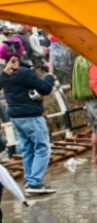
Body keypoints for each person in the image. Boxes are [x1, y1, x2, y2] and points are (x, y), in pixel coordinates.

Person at [0, 50, 56, 195]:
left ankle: (30, 180)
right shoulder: (23, 72)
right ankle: (34, 183)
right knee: (42, 148)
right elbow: (45, 88)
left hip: (16, 116)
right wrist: (50, 73)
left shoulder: (5, 74)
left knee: (28, 149)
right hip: (31, 115)